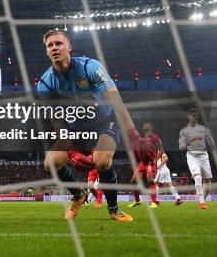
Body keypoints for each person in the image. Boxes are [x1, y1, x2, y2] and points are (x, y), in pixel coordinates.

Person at [38, 30, 156, 222]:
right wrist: (70, 149)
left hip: (105, 119)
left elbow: (116, 102)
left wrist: (133, 135)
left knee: (101, 161)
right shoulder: (45, 83)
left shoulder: (90, 67)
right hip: (77, 126)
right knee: (51, 163)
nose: (54, 48)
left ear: (69, 47)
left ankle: (114, 209)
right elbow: (57, 119)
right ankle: (78, 196)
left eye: (58, 43)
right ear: (46, 52)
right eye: (50, 45)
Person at [179, 107, 215, 209]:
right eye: (193, 116)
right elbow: (181, 147)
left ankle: (201, 200)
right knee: (197, 177)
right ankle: (202, 202)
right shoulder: (184, 131)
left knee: (208, 185)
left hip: (204, 157)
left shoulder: (203, 129)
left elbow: (211, 143)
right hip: (192, 157)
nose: (195, 117)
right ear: (189, 117)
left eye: (197, 116)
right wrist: (187, 144)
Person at [128, 122, 163, 208]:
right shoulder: (143, 139)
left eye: (147, 124)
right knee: (133, 181)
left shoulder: (155, 137)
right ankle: (137, 201)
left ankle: (154, 202)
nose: (144, 125)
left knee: (150, 179)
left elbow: (162, 151)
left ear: (151, 127)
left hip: (151, 162)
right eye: (143, 124)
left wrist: (155, 160)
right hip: (143, 163)